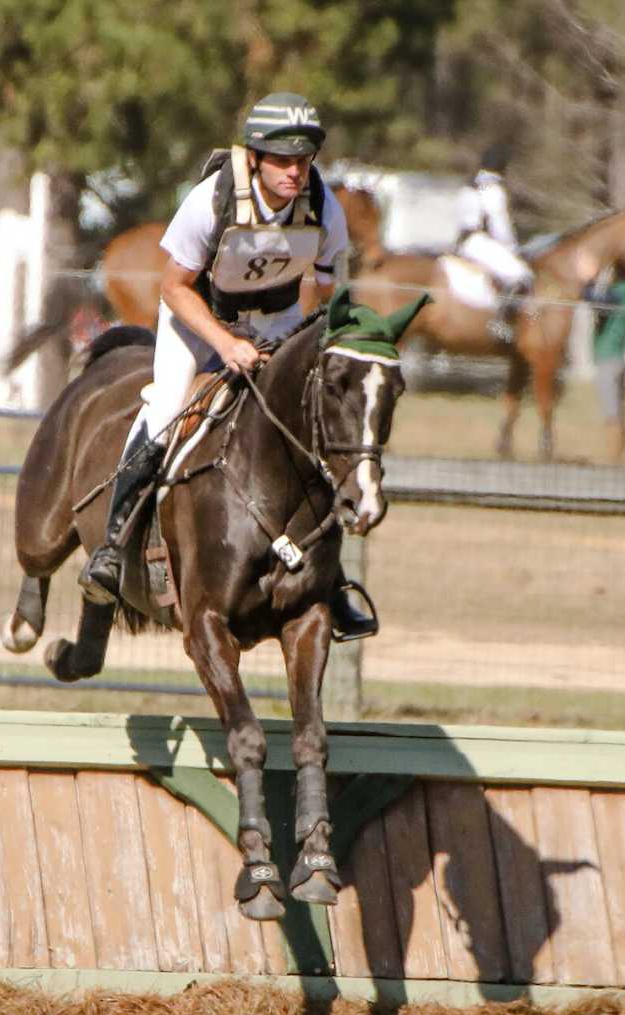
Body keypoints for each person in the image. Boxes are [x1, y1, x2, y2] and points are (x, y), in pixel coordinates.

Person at [79, 92, 378, 641]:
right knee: (166, 408)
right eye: (283, 159)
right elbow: (173, 287)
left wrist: (315, 351)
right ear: (256, 157)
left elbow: (331, 295)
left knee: (309, 428)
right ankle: (113, 545)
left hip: (276, 322)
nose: (295, 171)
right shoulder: (210, 200)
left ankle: (329, 583)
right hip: (197, 320)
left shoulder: (324, 208)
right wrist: (225, 343)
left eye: (304, 159)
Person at [456, 145, 533, 342]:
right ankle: (501, 323)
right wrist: (514, 251)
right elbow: (501, 228)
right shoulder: (494, 190)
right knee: (520, 276)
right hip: (480, 242)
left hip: (464, 242)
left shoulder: (470, 184)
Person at [588, 269, 625, 463]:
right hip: (619, 358)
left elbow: (593, 299)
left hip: (607, 360)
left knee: (611, 415)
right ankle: (619, 455)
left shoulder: (618, 291)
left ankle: (614, 459)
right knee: (619, 411)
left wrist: (587, 278)